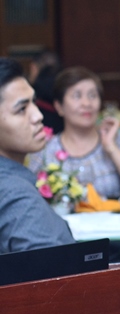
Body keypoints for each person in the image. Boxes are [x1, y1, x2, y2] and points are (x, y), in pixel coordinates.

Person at [28, 67, 120, 199]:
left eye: (92, 96)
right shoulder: (45, 149)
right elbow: (30, 195)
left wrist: (111, 148)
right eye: (77, 96)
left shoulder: (114, 139)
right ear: (59, 106)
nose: (87, 103)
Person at [0, 58, 74, 253]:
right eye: (21, 109)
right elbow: (50, 268)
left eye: (33, 102)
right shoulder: (16, 195)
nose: (38, 115)